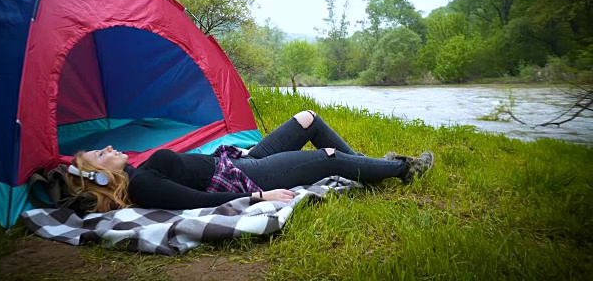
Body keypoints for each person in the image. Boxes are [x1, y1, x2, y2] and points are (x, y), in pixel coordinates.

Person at [65, 110, 434, 213]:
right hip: (248, 177)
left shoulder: (141, 172)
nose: (108, 147)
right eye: (101, 154)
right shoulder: (144, 184)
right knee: (328, 158)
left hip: (236, 162)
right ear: (100, 175)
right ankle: (404, 169)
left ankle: (370, 165)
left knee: (307, 119)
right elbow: (195, 202)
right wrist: (259, 198)